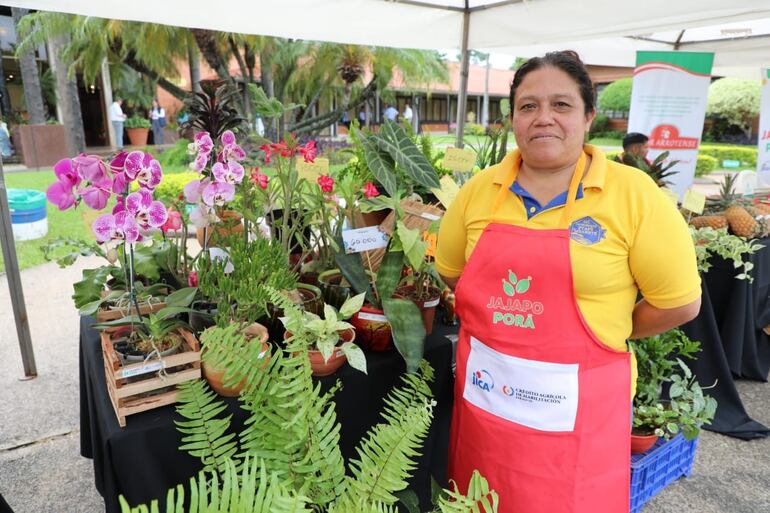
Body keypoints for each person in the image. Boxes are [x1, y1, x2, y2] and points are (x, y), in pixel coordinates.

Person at [436, 51, 701, 513]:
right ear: (513, 118)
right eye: (528, 106)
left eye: (561, 105)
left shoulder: (634, 195)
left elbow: (679, 303)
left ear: (588, 116)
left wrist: (608, 329)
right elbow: (452, 272)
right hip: (488, 407)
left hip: (579, 419)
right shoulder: (479, 190)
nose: (544, 119)